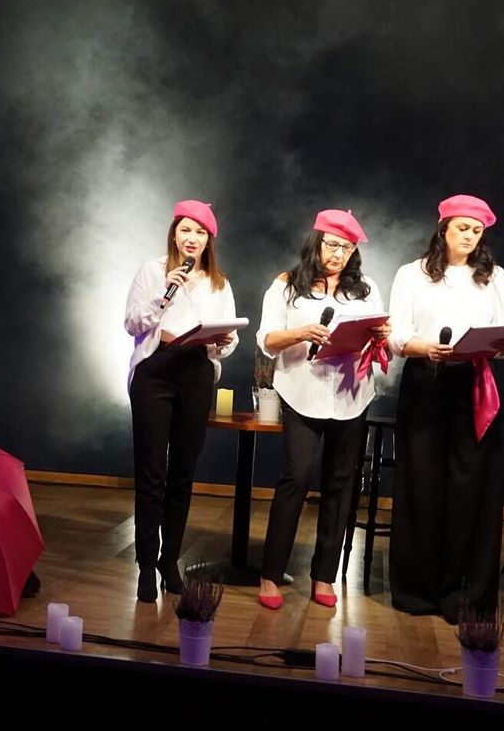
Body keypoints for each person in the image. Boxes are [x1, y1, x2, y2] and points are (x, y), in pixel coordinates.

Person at [387, 194, 504, 623]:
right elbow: (396, 334)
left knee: (471, 487)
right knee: (422, 483)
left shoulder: (494, 276)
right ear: (443, 228)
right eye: (463, 228)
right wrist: (424, 347)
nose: (470, 236)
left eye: (477, 231)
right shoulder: (412, 274)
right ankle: (418, 590)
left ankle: (463, 593)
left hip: (475, 384)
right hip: (426, 380)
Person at [253, 209, 390, 610]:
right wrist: (300, 332)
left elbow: (380, 335)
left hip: (350, 394)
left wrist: (381, 334)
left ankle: (324, 575)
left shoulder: (365, 288)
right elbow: (267, 339)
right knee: (296, 477)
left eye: (347, 248)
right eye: (332, 245)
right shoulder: (286, 285)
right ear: (316, 242)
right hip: (302, 391)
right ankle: (271, 574)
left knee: (341, 483)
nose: (338, 254)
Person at [124, 200, 238, 603]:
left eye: (200, 232)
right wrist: (164, 295)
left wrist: (223, 341)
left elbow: (230, 340)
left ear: (209, 241)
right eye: (186, 229)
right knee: (151, 471)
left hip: (196, 373)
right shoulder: (153, 271)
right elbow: (132, 324)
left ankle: (169, 560)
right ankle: (145, 563)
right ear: (174, 233)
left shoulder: (218, 282)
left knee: (183, 472)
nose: (192, 238)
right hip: (156, 370)